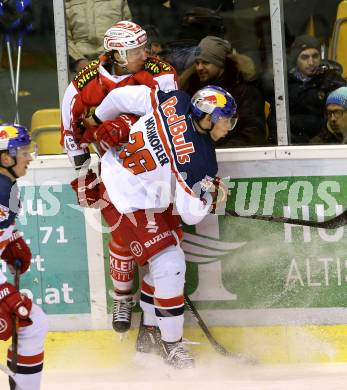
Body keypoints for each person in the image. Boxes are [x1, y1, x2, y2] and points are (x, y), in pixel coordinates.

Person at [85, 84, 237, 368]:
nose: (230, 126)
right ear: (207, 118)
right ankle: (172, 346)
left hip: (125, 178)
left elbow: (118, 97)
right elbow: (192, 215)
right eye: (226, 119)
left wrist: (96, 118)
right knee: (170, 263)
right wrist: (210, 197)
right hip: (127, 198)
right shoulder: (200, 159)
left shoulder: (175, 100)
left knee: (163, 262)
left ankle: (151, 334)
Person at [60, 20, 178, 334]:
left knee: (165, 240)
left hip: (153, 167)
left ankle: (153, 322)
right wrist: (77, 154)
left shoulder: (160, 71)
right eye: (136, 49)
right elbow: (69, 113)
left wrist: (123, 124)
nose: (145, 52)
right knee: (122, 239)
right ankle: (123, 298)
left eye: (144, 45)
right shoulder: (88, 78)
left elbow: (168, 113)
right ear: (117, 54)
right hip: (113, 170)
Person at [0, 124, 48, 390]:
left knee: (33, 322)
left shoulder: (9, 187)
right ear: (6, 157)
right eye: (24, 151)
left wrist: (11, 239)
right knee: (32, 322)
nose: (30, 157)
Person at [180, 35, 267, 147]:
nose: (199, 68)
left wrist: (221, 151)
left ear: (220, 64)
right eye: (197, 63)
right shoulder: (191, 89)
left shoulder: (243, 91)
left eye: (206, 62)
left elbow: (253, 133)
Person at [267, 35, 347, 144]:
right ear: (296, 59)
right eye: (304, 57)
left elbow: (337, 120)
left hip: (325, 144)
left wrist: (292, 122)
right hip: (290, 146)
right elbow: (274, 122)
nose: (311, 62)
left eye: (315, 56)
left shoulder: (332, 81)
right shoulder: (284, 85)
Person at [65, 0, 132, 73]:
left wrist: (111, 54)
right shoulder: (65, 2)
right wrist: (78, 61)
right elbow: (63, 35)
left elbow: (127, 28)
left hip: (114, 61)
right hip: (80, 65)